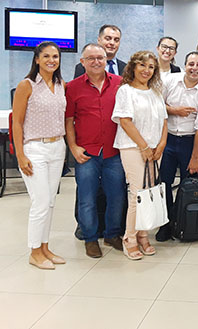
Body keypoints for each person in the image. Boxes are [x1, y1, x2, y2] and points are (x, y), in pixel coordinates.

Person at [65, 43, 125, 258]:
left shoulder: (120, 83)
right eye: (91, 58)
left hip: (114, 151)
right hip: (86, 153)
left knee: (116, 196)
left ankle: (112, 234)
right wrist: (73, 148)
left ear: (106, 60)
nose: (96, 62)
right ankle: (90, 238)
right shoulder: (72, 87)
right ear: (83, 62)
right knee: (87, 198)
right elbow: (69, 120)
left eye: (100, 58)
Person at [12, 41, 67, 270]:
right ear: (37, 59)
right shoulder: (26, 85)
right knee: (40, 202)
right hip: (35, 148)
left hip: (58, 147)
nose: (51, 60)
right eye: (46, 56)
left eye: (55, 56)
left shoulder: (60, 84)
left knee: (51, 202)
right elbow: (17, 122)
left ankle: (45, 247)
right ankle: (34, 252)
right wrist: (20, 155)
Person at [111, 51, 168, 260]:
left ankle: (144, 234)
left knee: (149, 192)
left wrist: (162, 144)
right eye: (142, 65)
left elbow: (163, 120)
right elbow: (125, 121)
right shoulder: (125, 91)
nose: (146, 70)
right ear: (133, 67)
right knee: (137, 193)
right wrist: (143, 146)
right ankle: (130, 238)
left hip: (155, 149)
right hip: (133, 148)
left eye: (151, 67)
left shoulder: (155, 92)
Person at [156, 51, 198, 242]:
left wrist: (195, 157)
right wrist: (175, 110)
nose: (194, 68)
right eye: (191, 64)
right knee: (163, 184)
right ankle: (165, 224)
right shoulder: (171, 80)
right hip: (168, 139)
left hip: (190, 142)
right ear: (185, 65)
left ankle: (183, 223)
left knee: (188, 186)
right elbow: (156, 104)